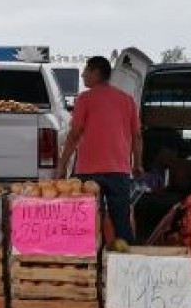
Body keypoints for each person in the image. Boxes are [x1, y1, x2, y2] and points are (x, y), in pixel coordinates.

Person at [55, 56, 143, 243]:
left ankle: (89, 266)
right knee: (121, 223)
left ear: (96, 72)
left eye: (86, 70)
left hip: (89, 171)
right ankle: (125, 264)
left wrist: (62, 165)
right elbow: (137, 136)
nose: (83, 75)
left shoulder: (85, 99)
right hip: (119, 171)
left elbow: (74, 134)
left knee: (85, 223)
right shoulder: (127, 100)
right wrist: (138, 164)